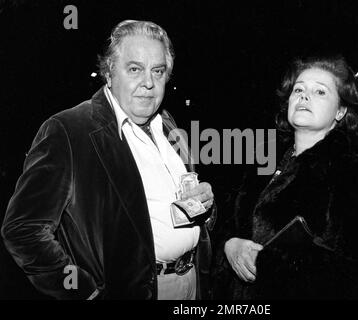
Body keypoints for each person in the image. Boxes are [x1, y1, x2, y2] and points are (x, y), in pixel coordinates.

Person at [1, 20, 216, 300]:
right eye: (135, 69)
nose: (148, 83)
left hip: (192, 283)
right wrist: (86, 293)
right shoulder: (69, 130)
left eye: (158, 71)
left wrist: (206, 205)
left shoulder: (168, 124)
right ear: (109, 73)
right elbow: (23, 230)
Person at [214, 55, 358, 299]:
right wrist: (229, 245)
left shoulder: (354, 174)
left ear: (340, 111)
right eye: (298, 89)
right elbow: (228, 224)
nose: (304, 96)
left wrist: (269, 263)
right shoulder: (263, 159)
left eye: (320, 92)